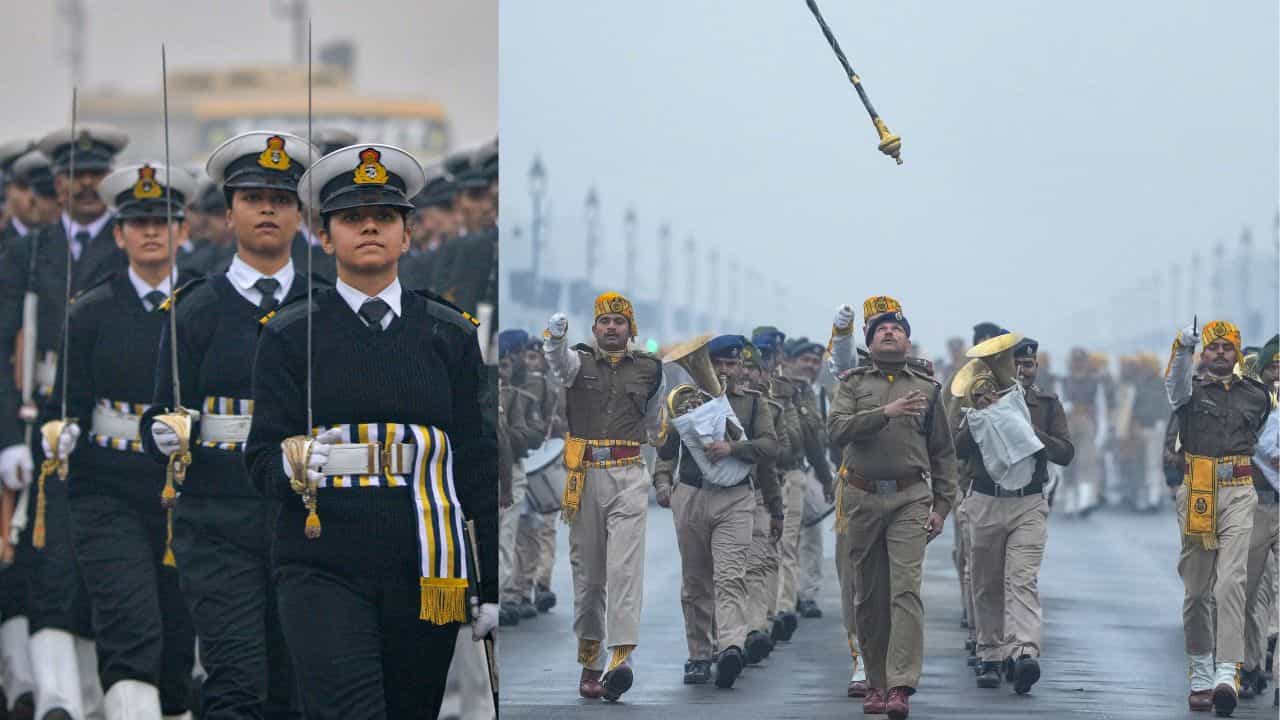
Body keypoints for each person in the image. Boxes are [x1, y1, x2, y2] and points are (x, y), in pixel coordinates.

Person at [244, 143, 498, 719]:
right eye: (351, 219)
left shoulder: (449, 334)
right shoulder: (290, 335)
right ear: (325, 236)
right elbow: (259, 459)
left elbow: (477, 461)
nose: (369, 229)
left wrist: (493, 585)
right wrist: (296, 461)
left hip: (425, 563)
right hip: (321, 560)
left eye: (384, 218)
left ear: (407, 235)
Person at [141, 130, 323, 720]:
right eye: (251, 198)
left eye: (281, 198)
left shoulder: (326, 307)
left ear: (301, 214)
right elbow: (156, 416)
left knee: (296, 682)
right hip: (218, 518)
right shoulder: (195, 308)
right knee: (236, 678)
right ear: (228, 213)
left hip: (303, 520)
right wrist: (165, 434)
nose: (267, 208)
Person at [48, 162, 199, 719]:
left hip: (182, 492)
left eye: (163, 220)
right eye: (137, 222)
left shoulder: (200, 306)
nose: (151, 232)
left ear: (183, 230)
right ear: (119, 235)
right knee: (130, 628)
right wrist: (57, 432)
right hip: (107, 490)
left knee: (178, 637)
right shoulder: (90, 312)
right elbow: (61, 404)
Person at [0, 124, 130, 720]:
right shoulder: (26, 251)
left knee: (107, 566)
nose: (84, 185)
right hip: (39, 423)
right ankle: (56, 699)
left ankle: (100, 695)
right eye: (74, 175)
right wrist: (7, 439)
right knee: (43, 561)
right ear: (56, 182)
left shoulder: (132, 242)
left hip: (108, 425)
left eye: (95, 174)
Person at [828, 308, 958, 719]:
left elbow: (943, 453)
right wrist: (885, 413)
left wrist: (941, 506)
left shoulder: (929, 389)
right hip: (861, 498)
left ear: (907, 341)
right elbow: (835, 431)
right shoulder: (851, 384)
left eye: (897, 329)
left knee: (905, 590)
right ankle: (876, 683)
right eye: (881, 329)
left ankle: (900, 685)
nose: (889, 333)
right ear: (869, 342)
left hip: (909, 498)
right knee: (868, 594)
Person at [542, 292, 663, 701]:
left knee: (625, 572)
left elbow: (652, 421)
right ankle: (591, 661)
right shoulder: (578, 361)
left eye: (619, 321)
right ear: (593, 329)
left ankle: (620, 658)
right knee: (590, 581)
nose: (612, 328)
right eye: (605, 322)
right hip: (584, 475)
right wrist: (555, 339)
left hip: (629, 473)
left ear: (632, 330)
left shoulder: (650, 368)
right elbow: (558, 366)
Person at [653, 334, 778, 689]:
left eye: (730, 364)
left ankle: (731, 648)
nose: (724, 370)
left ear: (741, 367)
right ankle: (698, 654)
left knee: (730, 576)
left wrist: (735, 447)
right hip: (691, 494)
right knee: (695, 582)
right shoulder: (683, 403)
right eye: (717, 363)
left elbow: (771, 447)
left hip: (736, 498)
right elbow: (666, 451)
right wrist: (663, 483)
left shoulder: (753, 405)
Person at [953, 336, 1072, 694]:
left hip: (1028, 502)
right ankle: (990, 653)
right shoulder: (977, 397)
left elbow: (1066, 453)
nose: (1021, 371)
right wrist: (981, 414)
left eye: (1028, 365)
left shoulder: (1047, 404)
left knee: (1022, 580)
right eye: (1015, 364)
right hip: (987, 500)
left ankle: (1023, 653)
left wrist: (1027, 430)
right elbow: (955, 448)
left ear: (1037, 369)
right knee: (987, 581)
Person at [1165, 320, 1272, 715]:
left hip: (1240, 491)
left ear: (1238, 353)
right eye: (1214, 347)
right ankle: (1199, 672)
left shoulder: (1257, 396)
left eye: (1229, 347)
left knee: (1232, 582)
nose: (1221, 353)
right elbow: (1173, 385)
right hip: (1198, 490)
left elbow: (1263, 433)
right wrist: (1181, 351)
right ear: (1204, 353)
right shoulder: (1189, 391)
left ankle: (1228, 672)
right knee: (1196, 591)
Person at [1241, 335, 1279, 700]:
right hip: (1256, 504)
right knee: (1248, 593)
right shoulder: (1249, 405)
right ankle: (1248, 664)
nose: (1279, 375)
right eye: (1273, 368)